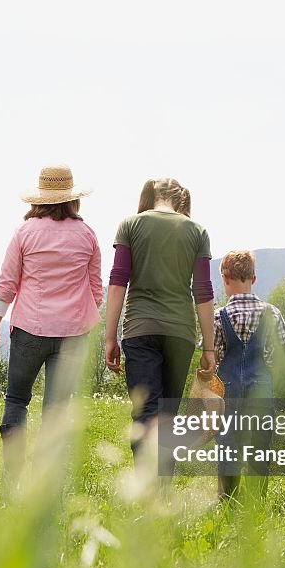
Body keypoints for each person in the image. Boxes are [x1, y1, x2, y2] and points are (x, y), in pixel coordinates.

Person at [0, 165, 103, 483]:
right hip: (73, 335)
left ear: (40, 197)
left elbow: (6, 286)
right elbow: (96, 292)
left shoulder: (25, 232)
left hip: (29, 330)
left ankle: (13, 476)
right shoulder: (87, 235)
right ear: (73, 199)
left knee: (17, 399)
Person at [104, 178, 216, 469]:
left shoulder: (130, 225)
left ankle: (145, 488)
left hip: (139, 329)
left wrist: (110, 337)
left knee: (145, 411)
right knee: (168, 415)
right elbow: (203, 291)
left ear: (150, 195)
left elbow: (118, 283)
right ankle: (162, 491)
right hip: (181, 333)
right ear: (179, 199)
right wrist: (209, 347)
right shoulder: (197, 231)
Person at [213, 250, 285, 499]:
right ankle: (256, 503)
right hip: (261, 389)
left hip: (228, 389)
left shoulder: (218, 317)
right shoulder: (272, 314)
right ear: (254, 279)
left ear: (224, 279)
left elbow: (211, 357)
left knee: (227, 444)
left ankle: (228, 501)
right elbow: (280, 358)